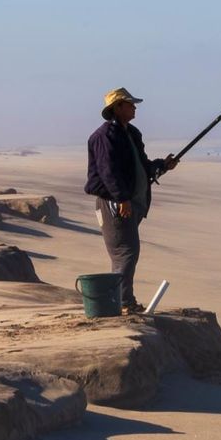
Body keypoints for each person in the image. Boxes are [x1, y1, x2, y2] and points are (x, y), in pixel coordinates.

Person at [85, 87, 178, 314]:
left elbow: (142, 166)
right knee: (125, 252)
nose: (134, 108)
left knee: (127, 252)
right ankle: (124, 303)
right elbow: (109, 172)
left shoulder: (131, 133)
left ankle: (122, 300)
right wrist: (122, 198)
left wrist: (162, 166)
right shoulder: (103, 136)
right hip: (115, 204)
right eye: (130, 104)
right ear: (117, 108)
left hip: (131, 203)